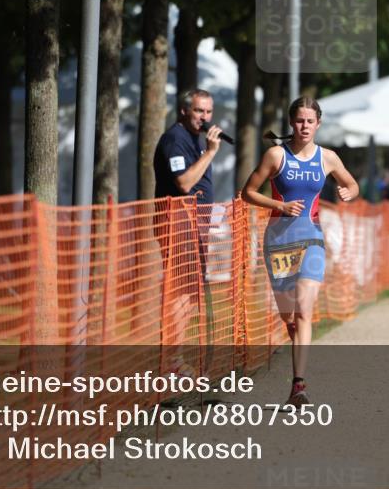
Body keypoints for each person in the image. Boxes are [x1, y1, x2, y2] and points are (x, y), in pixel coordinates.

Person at [242, 97, 358, 405]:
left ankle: (298, 385)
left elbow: (352, 184)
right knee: (288, 315)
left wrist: (348, 192)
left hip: (312, 238)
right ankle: (297, 342)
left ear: (318, 123)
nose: (304, 126)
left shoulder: (328, 157)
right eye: (299, 120)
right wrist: (279, 205)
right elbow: (247, 192)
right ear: (291, 122)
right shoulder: (276, 155)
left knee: (304, 309)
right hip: (279, 241)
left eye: (310, 121)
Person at [153, 89, 223, 373]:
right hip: (177, 225)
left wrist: (208, 215)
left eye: (208, 111)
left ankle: (174, 357)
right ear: (184, 111)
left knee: (190, 292)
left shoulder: (195, 139)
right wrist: (211, 152)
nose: (204, 117)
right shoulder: (175, 139)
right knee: (180, 290)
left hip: (196, 225)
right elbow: (183, 183)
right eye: (198, 111)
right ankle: (170, 360)